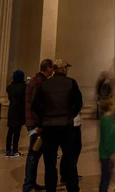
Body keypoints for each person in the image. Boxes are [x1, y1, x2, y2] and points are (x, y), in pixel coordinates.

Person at [32, 59, 83, 192]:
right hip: (66, 126)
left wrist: (44, 118)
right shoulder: (71, 83)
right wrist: (70, 115)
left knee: (50, 163)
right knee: (70, 161)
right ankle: (72, 188)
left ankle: (51, 189)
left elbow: (35, 105)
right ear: (63, 69)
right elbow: (78, 103)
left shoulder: (45, 84)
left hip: (49, 127)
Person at [22, 59, 54, 192]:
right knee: (33, 155)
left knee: (34, 154)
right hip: (37, 124)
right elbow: (37, 105)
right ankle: (28, 184)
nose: (53, 70)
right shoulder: (40, 82)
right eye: (52, 67)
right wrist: (40, 124)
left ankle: (31, 183)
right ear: (47, 68)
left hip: (33, 122)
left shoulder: (34, 80)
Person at [99, 98, 115, 192]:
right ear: (110, 107)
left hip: (105, 153)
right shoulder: (107, 120)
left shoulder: (106, 118)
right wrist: (111, 153)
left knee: (106, 177)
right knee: (105, 178)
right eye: (114, 104)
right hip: (106, 154)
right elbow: (107, 139)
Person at [6, 70, 27, 157]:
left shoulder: (10, 87)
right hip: (20, 110)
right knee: (17, 132)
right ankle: (15, 149)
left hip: (11, 110)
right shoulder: (24, 87)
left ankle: (8, 149)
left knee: (10, 131)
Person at [60, 112, 83, 186]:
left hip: (76, 122)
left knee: (76, 149)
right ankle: (66, 175)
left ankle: (70, 172)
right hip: (70, 123)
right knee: (70, 151)